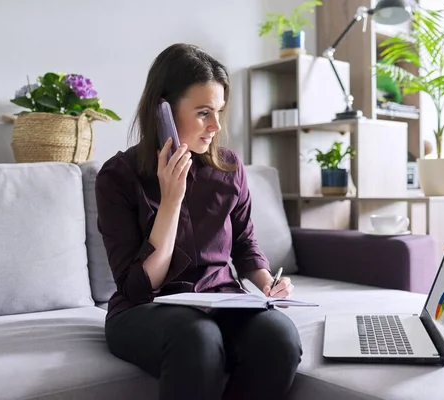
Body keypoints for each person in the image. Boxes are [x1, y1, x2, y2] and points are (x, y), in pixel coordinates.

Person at [95, 43, 302, 400]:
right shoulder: (117, 176)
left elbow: (244, 244)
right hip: (145, 309)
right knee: (196, 337)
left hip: (220, 298)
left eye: (219, 111)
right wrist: (171, 199)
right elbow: (141, 287)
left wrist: (268, 285)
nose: (216, 125)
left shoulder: (229, 168)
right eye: (204, 112)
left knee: (280, 338)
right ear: (164, 110)